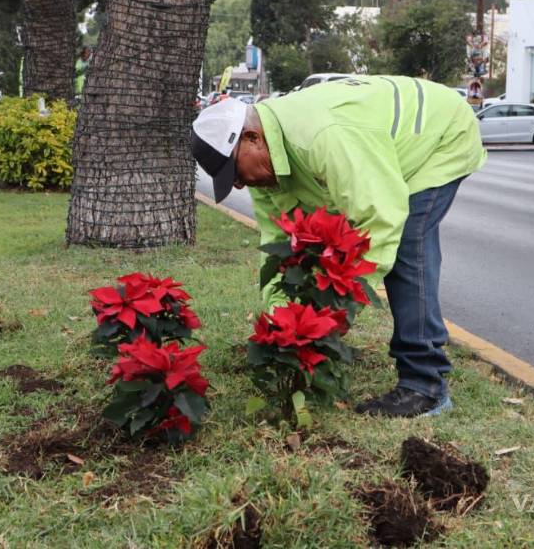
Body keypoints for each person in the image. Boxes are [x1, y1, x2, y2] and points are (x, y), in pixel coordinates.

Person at [192, 76, 486, 418]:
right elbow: (279, 245)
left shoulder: (322, 136)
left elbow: (380, 219)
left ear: (253, 137)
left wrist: (342, 309)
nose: (240, 183)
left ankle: (426, 385)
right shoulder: (266, 163)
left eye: (234, 171)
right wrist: (282, 322)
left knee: (407, 243)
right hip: (377, 146)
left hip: (438, 135)